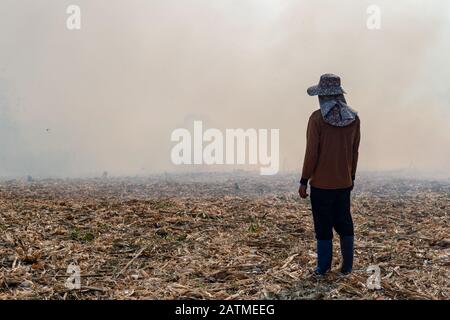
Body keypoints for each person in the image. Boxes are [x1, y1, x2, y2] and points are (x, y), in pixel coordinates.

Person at [299, 74, 361, 276]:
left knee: (323, 226)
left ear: (323, 96)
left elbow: (311, 153)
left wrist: (304, 180)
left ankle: (323, 268)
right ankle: (347, 267)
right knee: (344, 223)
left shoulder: (317, 119)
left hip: (322, 185)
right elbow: (354, 152)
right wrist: (351, 176)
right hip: (344, 183)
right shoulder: (354, 118)